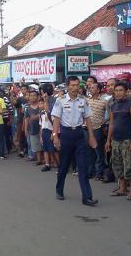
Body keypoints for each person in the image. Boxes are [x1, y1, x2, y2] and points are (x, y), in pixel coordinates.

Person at [52, 76, 98, 206]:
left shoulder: (83, 101)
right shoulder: (60, 101)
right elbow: (56, 119)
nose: (75, 88)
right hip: (66, 135)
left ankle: (87, 197)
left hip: (79, 135)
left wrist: (91, 136)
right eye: (72, 85)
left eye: (77, 85)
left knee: (83, 166)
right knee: (64, 166)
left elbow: (88, 119)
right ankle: (59, 190)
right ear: (67, 86)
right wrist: (55, 136)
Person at [105, 81, 131, 201]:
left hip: (127, 139)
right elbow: (111, 124)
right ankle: (122, 189)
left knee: (129, 165)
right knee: (117, 165)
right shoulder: (113, 105)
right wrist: (108, 140)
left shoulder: (130, 103)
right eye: (116, 91)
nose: (118, 93)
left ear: (126, 92)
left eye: (121, 90)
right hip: (115, 139)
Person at [88, 82, 109, 181]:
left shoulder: (104, 101)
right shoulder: (87, 101)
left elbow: (110, 115)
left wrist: (103, 122)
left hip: (97, 129)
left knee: (98, 152)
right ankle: (90, 171)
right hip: (87, 129)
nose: (90, 89)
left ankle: (99, 173)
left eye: (93, 88)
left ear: (98, 90)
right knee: (89, 152)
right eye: (90, 88)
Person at [24, 90, 42, 165]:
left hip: (42, 128)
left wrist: (36, 116)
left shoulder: (41, 105)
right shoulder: (28, 108)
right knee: (35, 145)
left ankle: (47, 160)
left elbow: (43, 114)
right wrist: (25, 129)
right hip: (32, 129)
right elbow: (26, 119)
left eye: (34, 95)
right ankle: (39, 160)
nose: (32, 97)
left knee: (43, 145)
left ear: (38, 97)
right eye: (31, 96)